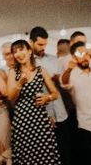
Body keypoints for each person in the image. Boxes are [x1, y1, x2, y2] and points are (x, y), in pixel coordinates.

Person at [7, 39, 60, 165]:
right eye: (15, 51)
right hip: (22, 121)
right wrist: (19, 84)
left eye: (21, 49)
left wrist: (48, 98)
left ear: (30, 51)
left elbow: (55, 93)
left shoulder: (41, 70)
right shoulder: (13, 72)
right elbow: (11, 98)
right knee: (26, 155)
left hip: (40, 119)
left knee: (44, 153)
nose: (18, 54)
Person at [29, 26, 71, 165]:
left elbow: (62, 86)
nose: (43, 48)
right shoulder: (28, 64)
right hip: (42, 116)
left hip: (60, 112)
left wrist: (58, 80)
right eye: (40, 44)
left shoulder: (54, 60)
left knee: (65, 151)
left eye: (45, 44)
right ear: (31, 42)